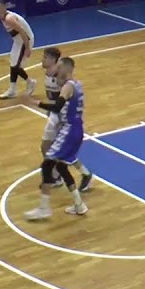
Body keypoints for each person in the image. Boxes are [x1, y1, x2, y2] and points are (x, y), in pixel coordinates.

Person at [21, 56, 87, 220]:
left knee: (47, 165)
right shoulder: (78, 84)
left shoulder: (68, 86)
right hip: (77, 129)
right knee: (61, 167)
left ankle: (44, 208)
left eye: (59, 67)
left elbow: (57, 107)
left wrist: (35, 103)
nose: (57, 69)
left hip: (69, 130)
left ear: (66, 68)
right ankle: (79, 204)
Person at [39, 48, 94, 193]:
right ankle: (83, 174)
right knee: (60, 151)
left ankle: (55, 177)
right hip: (56, 114)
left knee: (49, 148)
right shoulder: (49, 74)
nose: (42, 60)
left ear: (54, 61)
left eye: (45, 57)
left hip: (61, 117)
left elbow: (64, 96)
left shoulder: (61, 78)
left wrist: (38, 104)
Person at [0, 0, 37, 100]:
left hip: (25, 40)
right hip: (18, 41)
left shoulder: (9, 18)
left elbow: (23, 32)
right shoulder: (2, 17)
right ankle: (12, 90)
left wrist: (27, 48)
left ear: (4, 7)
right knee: (13, 64)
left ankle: (30, 83)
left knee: (16, 66)